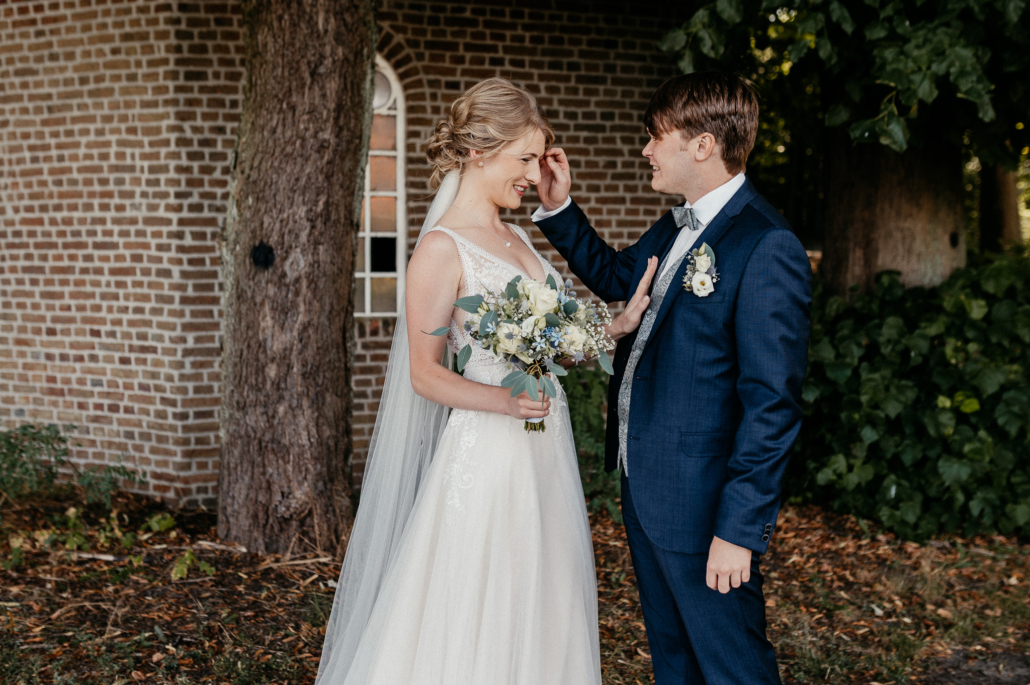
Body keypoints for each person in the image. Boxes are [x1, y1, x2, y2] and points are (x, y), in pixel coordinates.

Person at [314, 77, 657, 685]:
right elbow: (425, 376)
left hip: (543, 450)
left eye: (536, 157)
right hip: (488, 452)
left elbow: (552, 346)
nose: (531, 172)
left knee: (544, 588)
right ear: (478, 151)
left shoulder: (519, 237)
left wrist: (613, 328)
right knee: (487, 592)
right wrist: (505, 400)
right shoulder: (441, 251)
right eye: (522, 157)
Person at [533, 71, 812, 684]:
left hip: (705, 506)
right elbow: (615, 278)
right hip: (647, 487)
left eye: (656, 137)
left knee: (732, 665)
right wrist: (558, 206)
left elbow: (773, 404)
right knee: (675, 661)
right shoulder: (676, 225)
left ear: (703, 145)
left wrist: (738, 530)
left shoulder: (766, 244)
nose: (646, 150)